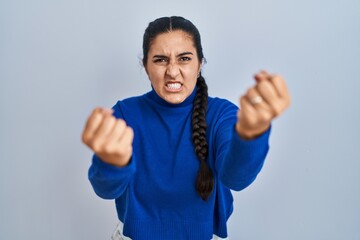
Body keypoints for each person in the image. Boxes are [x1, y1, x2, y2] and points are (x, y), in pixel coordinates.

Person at [81, 16, 290, 240]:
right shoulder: (124, 114)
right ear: (145, 66)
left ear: (200, 64)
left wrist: (251, 134)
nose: (172, 71)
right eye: (160, 60)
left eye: (184, 59)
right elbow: (104, 190)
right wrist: (112, 163)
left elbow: (236, 179)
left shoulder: (221, 114)